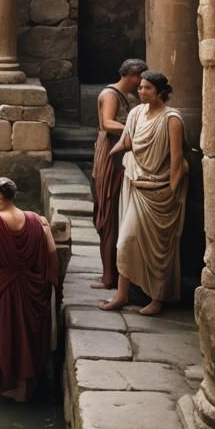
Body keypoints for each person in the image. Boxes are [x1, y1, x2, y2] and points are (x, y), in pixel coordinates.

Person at [100, 70, 188, 317]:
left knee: (159, 248)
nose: (141, 92)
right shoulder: (137, 113)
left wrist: (171, 190)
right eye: (139, 88)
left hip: (158, 191)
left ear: (160, 92)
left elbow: (177, 158)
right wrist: (111, 154)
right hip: (135, 184)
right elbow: (127, 141)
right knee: (126, 242)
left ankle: (157, 298)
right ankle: (122, 294)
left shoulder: (172, 119)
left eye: (146, 88)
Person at [0, 177, 58, 402]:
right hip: (32, 288)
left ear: (1, 196)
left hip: (1, 289)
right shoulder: (37, 220)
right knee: (26, 336)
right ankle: (23, 389)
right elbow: (51, 252)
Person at [90, 58, 147, 290]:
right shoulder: (110, 94)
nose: (140, 84)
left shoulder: (132, 97)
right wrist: (136, 129)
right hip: (110, 155)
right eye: (139, 79)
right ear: (130, 75)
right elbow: (107, 123)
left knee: (121, 214)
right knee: (109, 214)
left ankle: (119, 274)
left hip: (124, 154)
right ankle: (108, 277)